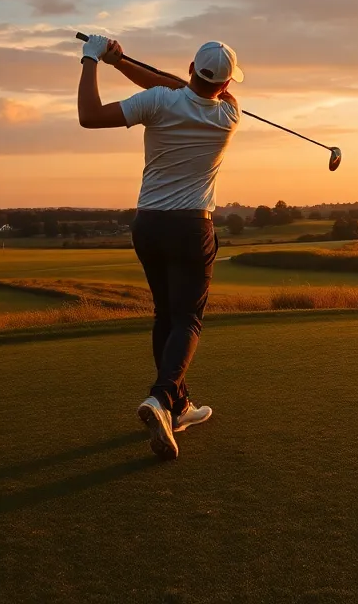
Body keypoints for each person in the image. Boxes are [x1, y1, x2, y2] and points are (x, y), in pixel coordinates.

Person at [76, 34, 243, 460]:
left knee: (166, 315)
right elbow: (186, 88)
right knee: (187, 319)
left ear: (190, 68)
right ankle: (162, 397)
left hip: (149, 225)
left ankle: (179, 406)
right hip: (192, 227)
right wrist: (120, 63)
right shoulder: (229, 114)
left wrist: (94, 59)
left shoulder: (156, 102)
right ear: (226, 84)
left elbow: (89, 116)